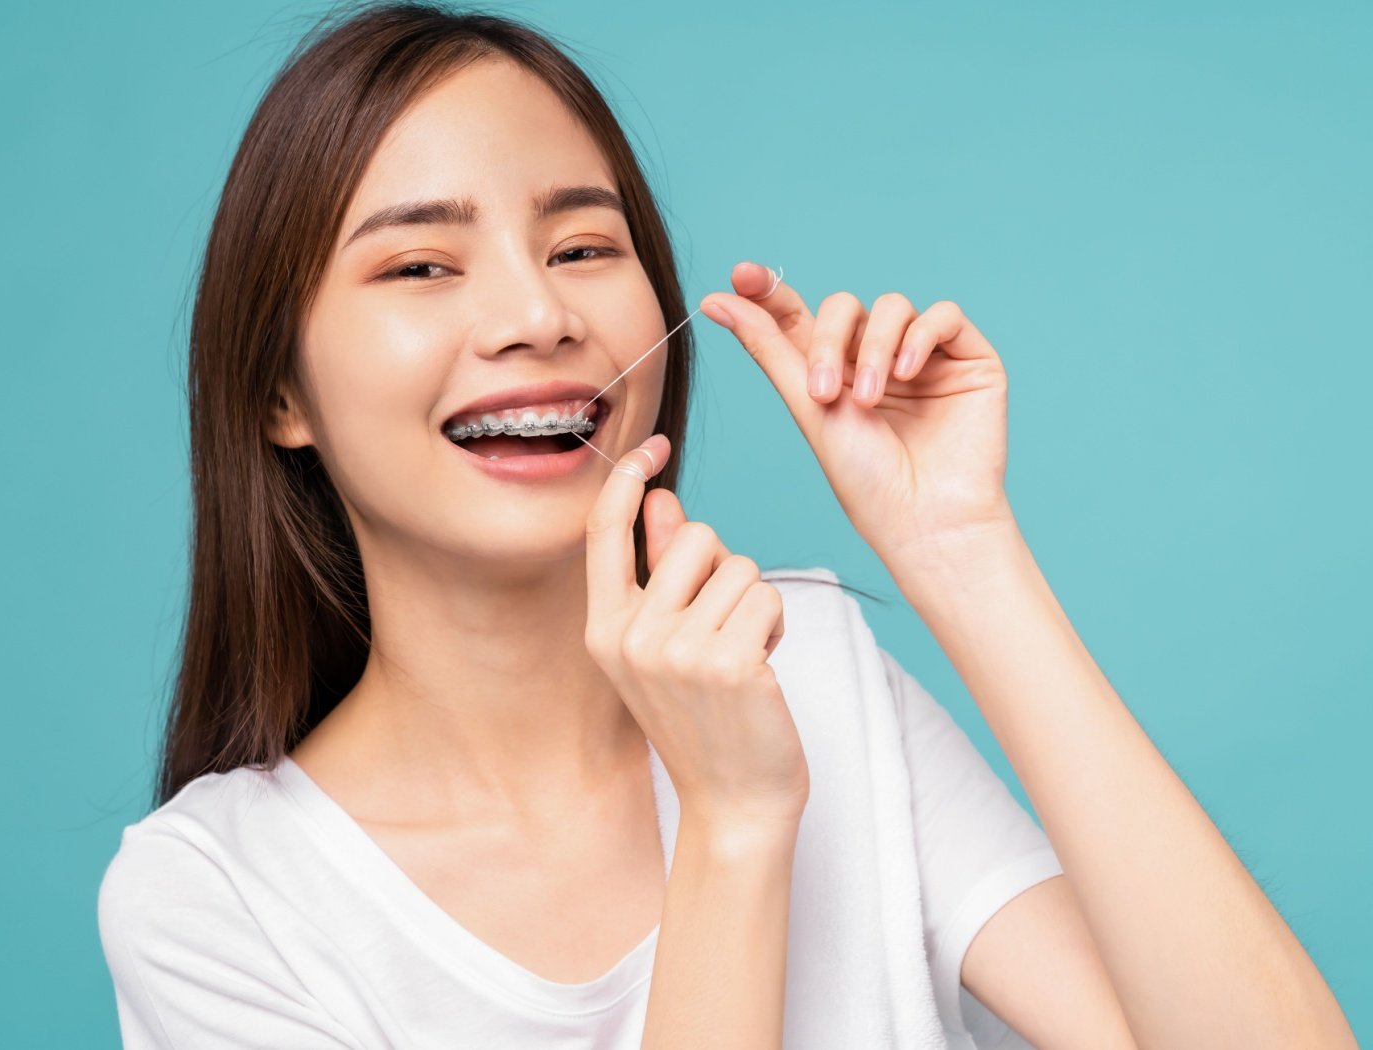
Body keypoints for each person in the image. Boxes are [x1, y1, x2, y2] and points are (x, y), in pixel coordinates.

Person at [96, 3, 1356, 1048]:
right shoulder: (214, 900)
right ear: (276, 392)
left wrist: (958, 550)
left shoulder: (807, 666)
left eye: (583, 245)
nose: (537, 314)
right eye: (421, 266)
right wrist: (737, 826)